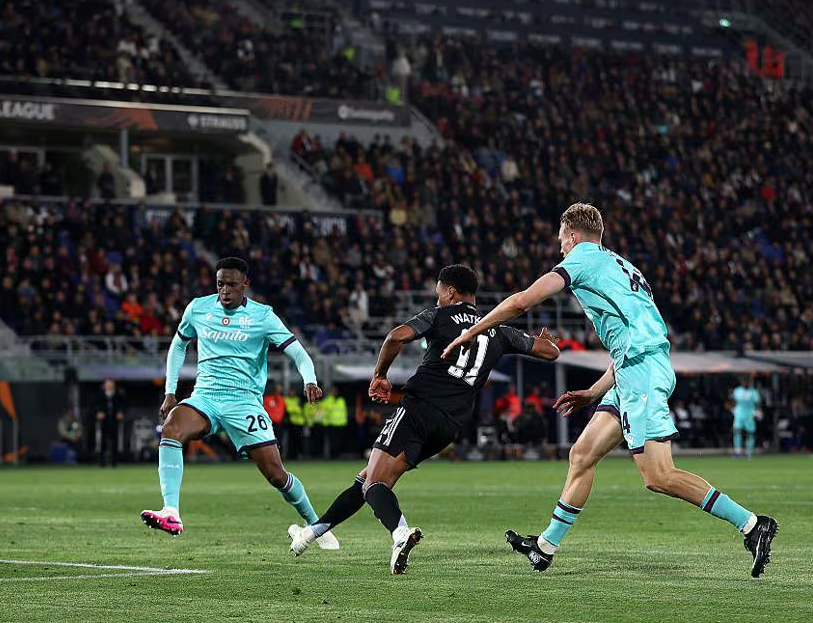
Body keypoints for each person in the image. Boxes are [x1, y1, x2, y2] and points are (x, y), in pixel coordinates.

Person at [443, 203, 778, 578]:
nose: (560, 249)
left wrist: (472, 331)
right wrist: (593, 392)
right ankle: (545, 547)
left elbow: (522, 301)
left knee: (658, 476)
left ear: (572, 236)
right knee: (582, 454)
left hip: (641, 373)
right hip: (635, 368)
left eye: (561, 240)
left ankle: (752, 524)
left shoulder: (582, 259)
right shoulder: (621, 265)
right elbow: (629, 340)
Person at [287, 264, 560, 574]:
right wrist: (547, 341)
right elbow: (550, 352)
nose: (437, 298)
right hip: (449, 426)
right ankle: (310, 534)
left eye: (439, 293)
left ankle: (400, 533)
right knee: (368, 479)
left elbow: (395, 337)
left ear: (450, 292)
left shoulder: (440, 315)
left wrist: (380, 375)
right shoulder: (498, 329)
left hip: (419, 409)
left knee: (375, 483)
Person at [140, 257, 339, 551]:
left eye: (232, 285)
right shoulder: (198, 308)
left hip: (244, 403)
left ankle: (316, 525)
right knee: (171, 428)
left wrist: (309, 379)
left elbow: (298, 352)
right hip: (206, 397)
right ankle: (171, 511)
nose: (225, 290)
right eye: (220, 284)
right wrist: (170, 391)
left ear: (245, 284)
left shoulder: (263, 316)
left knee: (276, 475)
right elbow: (178, 345)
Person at [94, 380, 126, 467]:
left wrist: (121, 412)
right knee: (102, 442)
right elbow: (94, 406)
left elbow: (124, 406)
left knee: (115, 442)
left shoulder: (118, 395)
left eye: (111, 385)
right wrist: (98, 413)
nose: (109, 386)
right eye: (107, 385)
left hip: (114, 421)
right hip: (103, 422)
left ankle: (114, 462)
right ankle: (102, 462)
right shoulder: (99, 396)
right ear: (104, 386)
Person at [731, 378, 761, 459]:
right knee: (737, 431)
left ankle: (749, 452)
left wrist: (758, 411)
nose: (745, 383)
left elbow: (758, 402)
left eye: (747, 381)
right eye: (744, 381)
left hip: (749, 414)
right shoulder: (737, 390)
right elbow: (733, 400)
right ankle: (737, 452)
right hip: (739, 414)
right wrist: (733, 408)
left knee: (750, 433)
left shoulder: (753, 392)